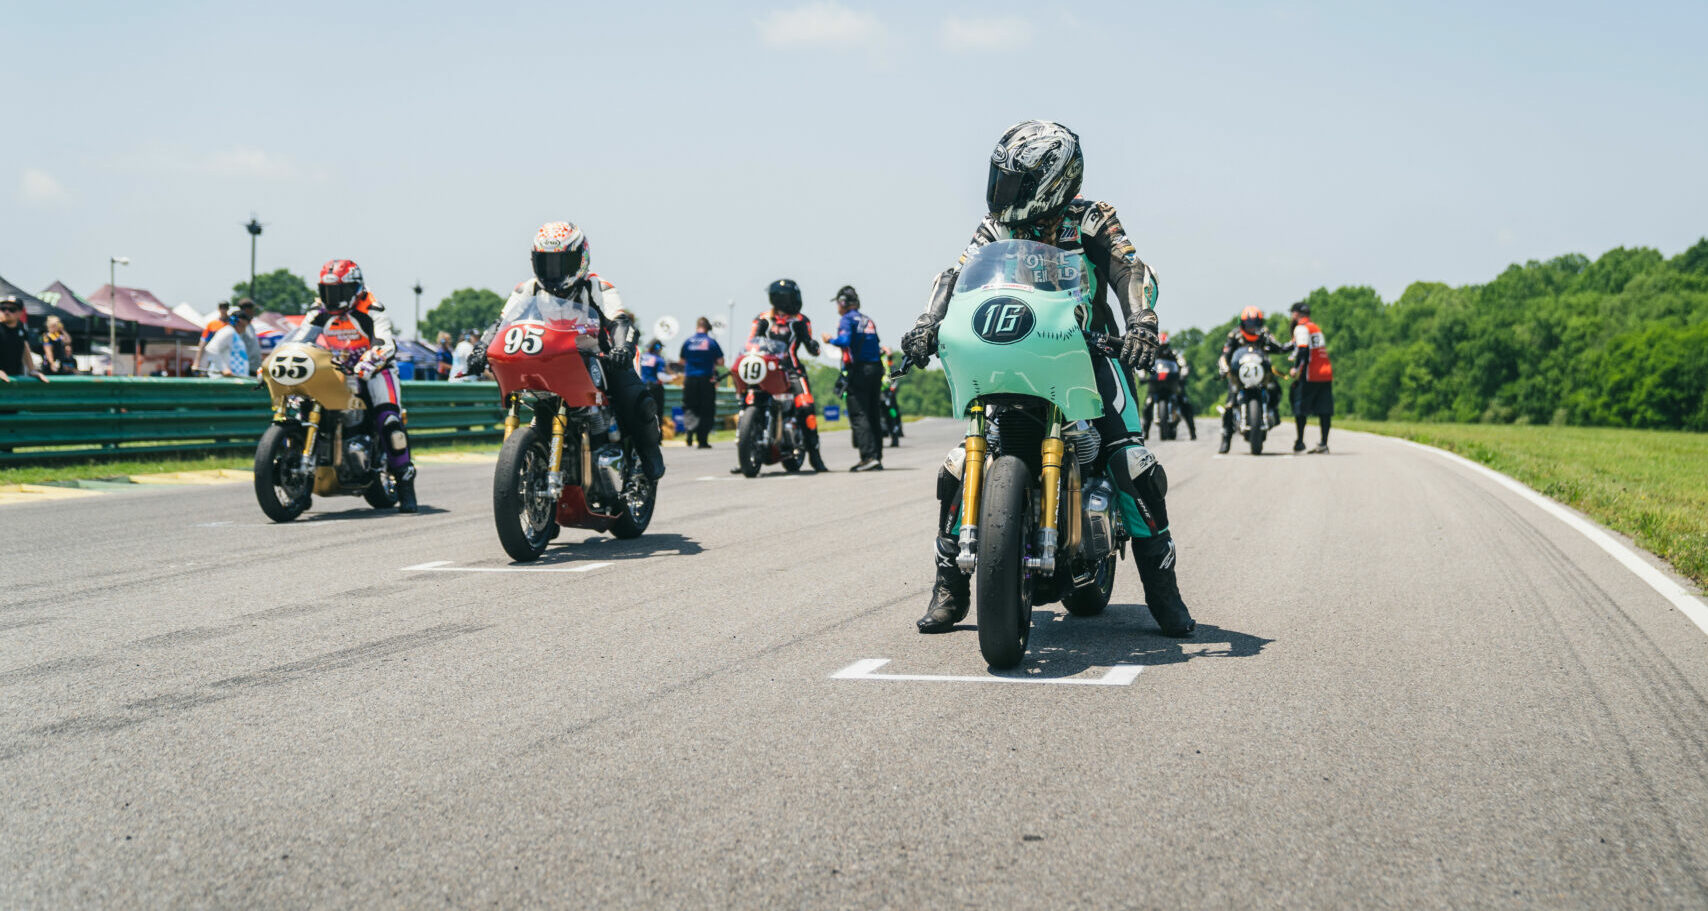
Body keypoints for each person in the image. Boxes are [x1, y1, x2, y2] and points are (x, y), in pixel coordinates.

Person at [898, 120, 1193, 637]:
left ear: (1052, 179)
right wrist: (928, 322)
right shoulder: (993, 228)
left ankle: (1164, 594)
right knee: (956, 467)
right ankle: (950, 584)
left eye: (1013, 182)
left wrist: (1141, 322)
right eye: (1000, 179)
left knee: (1131, 464)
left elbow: (1130, 270)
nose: (1000, 192)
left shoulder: (1093, 220)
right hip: (1011, 352)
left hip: (1089, 352)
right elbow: (957, 274)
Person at [471, 221, 666, 480]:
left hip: (599, 358)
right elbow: (502, 322)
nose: (553, 271)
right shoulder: (527, 289)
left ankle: (649, 452)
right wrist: (481, 348)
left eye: (562, 262)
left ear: (580, 259)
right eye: (546, 263)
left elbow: (619, 321)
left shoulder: (598, 286)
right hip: (548, 361)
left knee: (636, 400)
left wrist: (622, 348)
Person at [304, 258, 419, 512]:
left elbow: (386, 342)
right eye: (327, 291)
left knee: (389, 421)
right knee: (302, 403)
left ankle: (405, 484)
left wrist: (369, 361)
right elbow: (301, 339)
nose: (332, 297)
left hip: (375, 369)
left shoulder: (372, 308)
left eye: (339, 291)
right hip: (334, 370)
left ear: (355, 288)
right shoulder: (317, 311)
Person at [751, 278, 829, 473]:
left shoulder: (801, 320)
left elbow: (810, 344)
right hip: (767, 370)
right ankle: (746, 451)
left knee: (806, 406)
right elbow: (752, 341)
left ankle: (815, 455)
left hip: (792, 370)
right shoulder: (762, 319)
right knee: (750, 399)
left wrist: (813, 346)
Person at [822, 285, 885, 471]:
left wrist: (829, 340)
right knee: (873, 413)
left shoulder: (846, 320)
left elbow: (844, 341)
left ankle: (868, 457)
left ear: (843, 303)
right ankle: (877, 456)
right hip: (876, 369)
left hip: (859, 371)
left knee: (859, 414)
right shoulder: (868, 320)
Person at [1215, 306, 1287, 454]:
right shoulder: (1234, 335)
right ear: (1242, 323)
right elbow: (1225, 355)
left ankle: (1274, 412)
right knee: (1229, 403)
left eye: (1255, 323)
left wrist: (1290, 345)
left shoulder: (1264, 334)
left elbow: (1278, 347)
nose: (1252, 327)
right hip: (1239, 375)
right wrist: (1223, 368)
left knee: (1275, 389)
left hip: (1261, 373)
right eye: (1249, 324)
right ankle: (1226, 438)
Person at [1287, 301, 1334, 454]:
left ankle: (1300, 441)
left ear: (1296, 314)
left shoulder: (1301, 328)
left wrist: (1296, 368)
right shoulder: (1315, 328)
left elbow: (1303, 351)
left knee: (1300, 407)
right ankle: (1324, 443)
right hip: (1325, 372)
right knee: (1324, 409)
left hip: (1310, 374)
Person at [1140, 331, 1195, 441]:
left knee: (1184, 401)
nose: (1162, 349)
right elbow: (1142, 366)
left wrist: (1183, 375)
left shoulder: (1174, 354)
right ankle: (1145, 432)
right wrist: (1142, 376)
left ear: (1168, 345)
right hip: (1155, 384)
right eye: (1159, 346)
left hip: (1172, 384)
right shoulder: (1149, 354)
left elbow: (1183, 364)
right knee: (1148, 404)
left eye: (1164, 346)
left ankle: (1192, 431)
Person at [679, 317, 724, 449]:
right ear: (708, 328)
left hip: (690, 378)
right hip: (706, 378)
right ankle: (702, 440)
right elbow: (721, 361)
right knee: (706, 409)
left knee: (689, 406)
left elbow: (681, 361)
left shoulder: (688, 342)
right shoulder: (711, 342)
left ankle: (689, 431)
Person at [202, 308, 262, 377]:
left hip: (234, 379)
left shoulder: (235, 334)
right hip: (224, 380)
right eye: (244, 326)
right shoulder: (228, 331)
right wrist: (224, 369)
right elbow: (211, 349)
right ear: (240, 322)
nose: (245, 329)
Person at [0, 296, 47, 383]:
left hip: (14, 377)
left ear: (20, 313)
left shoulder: (21, 328)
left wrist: (32, 370)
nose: (6, 312)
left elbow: (25, 348)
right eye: (3, 308)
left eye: (12, 309)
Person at [638, 339, 674, 431]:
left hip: (642, 388)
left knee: (643, 412)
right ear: (658, 348)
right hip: (656, 390)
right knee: (657, 413)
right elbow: (660, 376)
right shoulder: (659, 360)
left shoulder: (642, 357)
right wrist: (673, 378)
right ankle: (657, 437)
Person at [192, 300, 231, 373]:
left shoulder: (233, 324)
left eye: (225, 307)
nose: (223, 309)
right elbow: (202, 344)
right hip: (214, 356)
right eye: (221, 307)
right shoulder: (212, 324)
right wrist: (196, 363)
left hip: (228, 356)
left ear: (228, 309)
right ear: (218, 309)